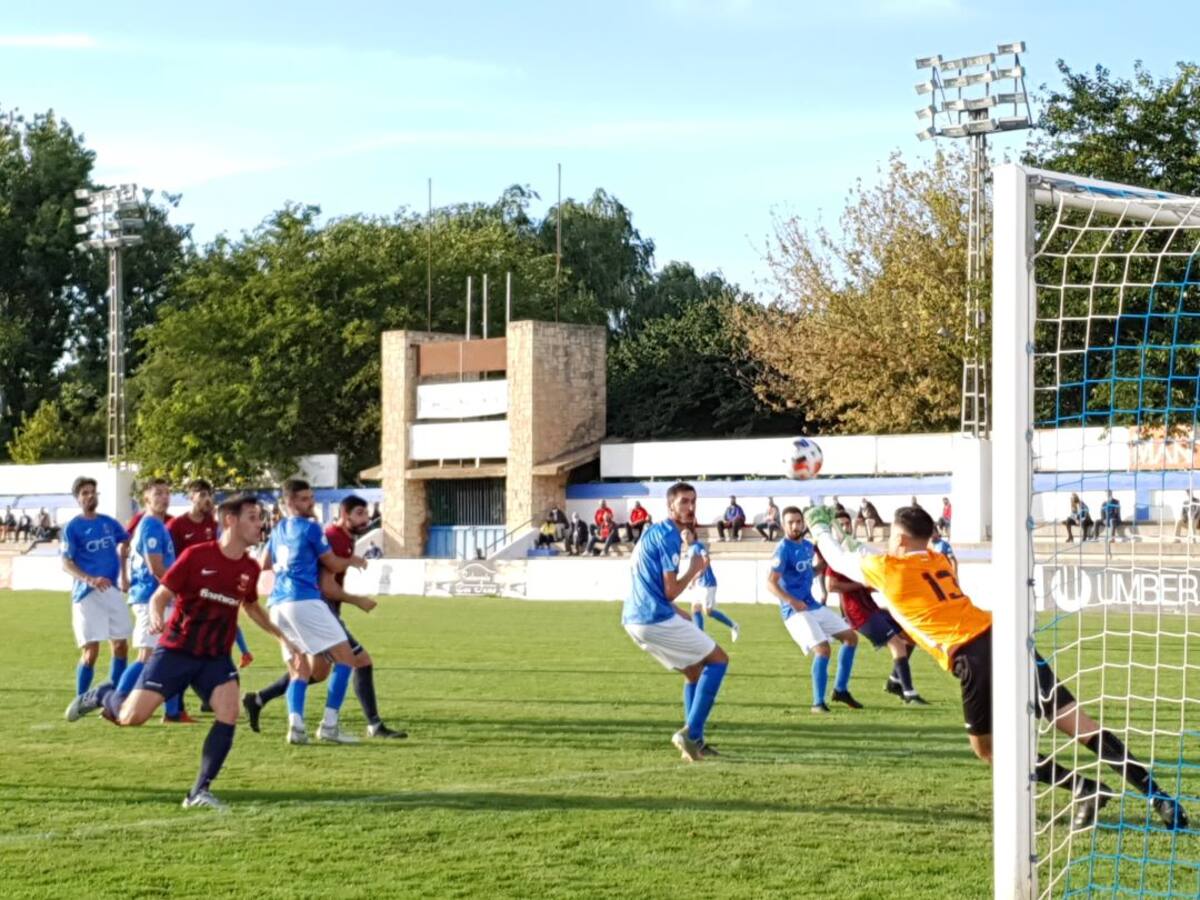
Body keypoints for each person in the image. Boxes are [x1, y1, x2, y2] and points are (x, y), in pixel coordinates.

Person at [805, 503, 1189, 831]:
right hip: (1007, 638)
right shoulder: (937, 558)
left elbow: (843, 559)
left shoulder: (889, 568)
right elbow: (860, 551)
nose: (886, 543)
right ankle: (1162, 800)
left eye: (890, 537)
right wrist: (840, 531)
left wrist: (819, 526)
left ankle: (1084, 788)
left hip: (971, 654)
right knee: (1081, 726)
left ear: (901, 541)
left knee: (988, 750)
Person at [64, 495, 299, 811]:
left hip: (215, 657)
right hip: (177, 651)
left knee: (228, 712)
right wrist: (158, 612)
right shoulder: (196, 556)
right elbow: (160, 595)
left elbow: (251, 606)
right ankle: (104, 694)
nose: (261, 524)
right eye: (253, 517)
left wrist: (282, 637)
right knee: (130, 718)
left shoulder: (249, 567)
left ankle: (199, 792)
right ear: (230, 520)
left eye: (261, 518)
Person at [245, 494, 406, 740]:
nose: (366, 518)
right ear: (344, 514)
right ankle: (358, 725)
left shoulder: (284, 530)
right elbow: (326, 585)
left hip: (283, 605)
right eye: (360, 513)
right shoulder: (327, 536)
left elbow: (264, 563)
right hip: (313, 608)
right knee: (357, 659)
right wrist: (358, 598)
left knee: (313, 671)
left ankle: (267, 705)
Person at [622, 482, 729, 762]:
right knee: (718, 660)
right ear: (670, 505)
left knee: (693, 672)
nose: (690, 507)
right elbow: (670, 588)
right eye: (683, 502)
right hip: (652, 617)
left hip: (635, 619)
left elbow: (649, 582)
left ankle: (698, 742)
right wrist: (694, 569)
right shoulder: (670, 536)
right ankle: (691, 734)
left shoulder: (651, 533)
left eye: (693, 501)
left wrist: (677, 611)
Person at [256, 478, 368, 745]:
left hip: (277, 605)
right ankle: (329, 726)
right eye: (305, 499)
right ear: (291, 502)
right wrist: (352, 559)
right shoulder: (310, 527)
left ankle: (296, 727)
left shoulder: (279, 528)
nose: (311, 502)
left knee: (300, 669)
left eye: (311, 497)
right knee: (346, 659)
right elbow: (331, 563)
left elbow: (263, 563)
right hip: (303, 600)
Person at [822, 511, 926, 705]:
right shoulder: (839, 559)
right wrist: (862, 584)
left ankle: (894, 681)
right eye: (840, 525)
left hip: (871, 607)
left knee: (911, 635)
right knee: (896, 643)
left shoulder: (859, 553)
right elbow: (831, 586)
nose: (845, 528)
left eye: (847, 524)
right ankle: (909, 693)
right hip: (858, 612)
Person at [767, 506, 860, 713]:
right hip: (795, 612)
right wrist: (792, 601)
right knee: (823, 649)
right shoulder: (783, 548)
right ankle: (818, 702)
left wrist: (827, 561)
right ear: (783, 525)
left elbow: (810, 571)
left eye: (798, 521)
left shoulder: (808, 547)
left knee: (851, 638)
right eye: (790, 522)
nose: (795, 526)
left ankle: (841, 690)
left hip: (812, 605)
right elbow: (770, 583)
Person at [124, 478, 194, 725]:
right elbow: (156, 567)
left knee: (170, 655)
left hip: (159, 598)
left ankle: (173, 712)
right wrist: (177, 591)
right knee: (147, 655)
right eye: (158, 493)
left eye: (167, 493)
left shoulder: (158, 525)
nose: (164, 498)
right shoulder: (152, 525)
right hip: (151, 598)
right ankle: (114, 701)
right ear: (146, 498)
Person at [61, 476, 131, 698]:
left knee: (121, 645)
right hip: (87, 594)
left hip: (112, 591)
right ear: (77, 499)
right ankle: (81, 699)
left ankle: (116, 697)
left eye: (93, 491)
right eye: (85, 493)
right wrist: (90, 579)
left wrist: (124, 573)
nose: (90, 496)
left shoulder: (109, 523)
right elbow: (66, 563)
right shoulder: (72, 528)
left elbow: (126, 541)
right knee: (91, 651)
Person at [680, 527, 739, 641]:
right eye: (683, 535)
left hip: (707, 583)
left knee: (708, 611)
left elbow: (706, 559)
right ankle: (700, 637)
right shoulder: (689, 549)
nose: (685, 536)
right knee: (695, 609)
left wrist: (699, 574)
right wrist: (692, 580)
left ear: (692, 535)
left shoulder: (698, 546)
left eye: (687, 534)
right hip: (699, 584)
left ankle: (733, 625)